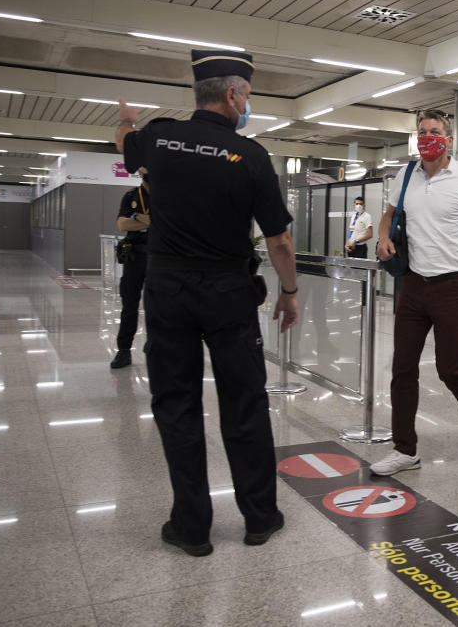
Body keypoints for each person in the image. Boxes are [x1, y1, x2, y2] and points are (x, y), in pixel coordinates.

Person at [114, 49, 299, 556]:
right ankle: (260, 517)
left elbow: (126, 145)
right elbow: (279, 241)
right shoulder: (251, 155)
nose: (248, 104)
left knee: (177, 407)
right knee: (244, 404)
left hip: (169, 292)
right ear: (234, 94)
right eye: (249, 95)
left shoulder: (158, 136)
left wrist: (126, 119)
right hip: (228, 294)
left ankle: (192, 527)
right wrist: (289, 291)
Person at [371, 109, 458, 476]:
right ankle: (404, 449)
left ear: (449, 138)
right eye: (422, 131)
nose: (428, 137)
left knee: (451, 368)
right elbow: (388, 215)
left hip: (454, 285)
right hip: (413, 284)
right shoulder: (406, 174)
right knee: (402, 368)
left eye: (435, 131)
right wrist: (382, 238)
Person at [110, 170, 151, 368]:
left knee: (158, 307)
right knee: (129, 307)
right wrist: (148, 221)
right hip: (134, 258)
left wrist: (141, 219)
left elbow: (169, 225)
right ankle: (124, 351)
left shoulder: (168, 196)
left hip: (158, 258)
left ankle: (154, 346)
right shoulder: (131, 196)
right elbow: (122, 224)